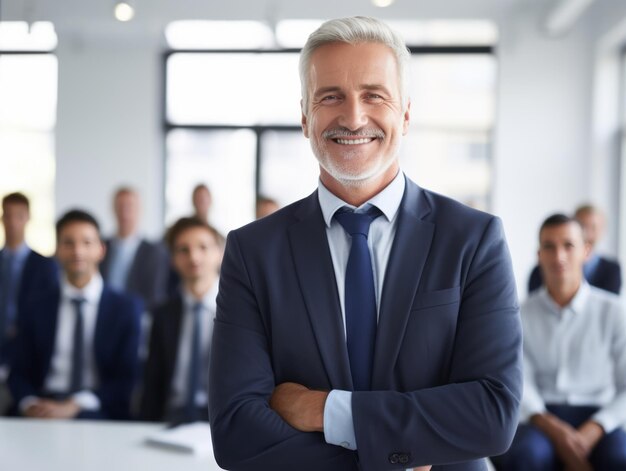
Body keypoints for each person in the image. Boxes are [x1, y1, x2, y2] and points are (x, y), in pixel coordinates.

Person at [209, 16, 522, 471]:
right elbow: (236, 432)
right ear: (304, 117)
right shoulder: (253, 252)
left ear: (406, 114)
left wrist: (322, 410)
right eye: (330, 96)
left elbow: (492, 416)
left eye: (374, 95)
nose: (353, 117)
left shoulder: (473, 240)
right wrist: (397, 452)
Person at [493, 214, 626, 470]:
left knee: (620, 457)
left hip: (599, 415)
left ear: (586, 251)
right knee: (526, 455)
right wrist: (553, 429)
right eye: (549, 247)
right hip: (540, 417)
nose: (559, 256)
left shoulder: (614, 312)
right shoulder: (518, 314)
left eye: (569, 245)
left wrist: (595, 428)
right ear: (539, 254)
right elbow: (518, 382)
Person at [8, 209, 141, 420]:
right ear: (57, 250)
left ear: (101, 250)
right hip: (42, 406)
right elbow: (18, 372)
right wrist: (30, 403)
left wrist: (75, 405)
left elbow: (125, 379)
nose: (77, 251)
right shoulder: (35, 306)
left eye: (87, 243)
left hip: (97, 409)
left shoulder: (125, 308)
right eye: (68, 243)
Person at [140, 217, 223, 423]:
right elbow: (153, 381)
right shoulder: (163, 314)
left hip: (222, 419)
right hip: (171, 416)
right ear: (172, 259)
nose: (194, 257)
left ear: (219, 254)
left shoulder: (242, 310)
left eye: (203, 247)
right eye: (183, 250)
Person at [0, 193, 58, 378]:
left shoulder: (45, 266)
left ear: (27, 218)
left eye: (19, 215)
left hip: (28, 351)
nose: (12, 222)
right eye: (7, 215)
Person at [99, 187, 169, 310]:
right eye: (120, 206)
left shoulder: (155, 252)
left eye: (130, 206)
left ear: (139, 210)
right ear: (113, 209)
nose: (124, 212)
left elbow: (155, 295)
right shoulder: (100, 247)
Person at [527, 204, 621, 295]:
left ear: (586, 251)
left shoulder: (611, 271)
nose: (587, 233)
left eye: (593, 227)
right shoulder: (538, 272)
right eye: (583, 225)